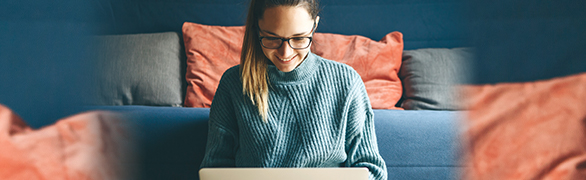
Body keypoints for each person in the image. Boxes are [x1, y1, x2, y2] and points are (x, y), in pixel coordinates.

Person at [200, 0, 387, 179]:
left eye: (298, 38)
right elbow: (216, 167)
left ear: (314, 26)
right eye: (272, 38)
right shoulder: (234, 83)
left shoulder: (346, 82)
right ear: (257, 28)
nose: (285, 53)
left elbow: (371, 169)